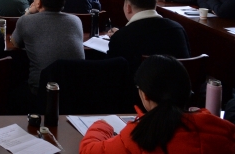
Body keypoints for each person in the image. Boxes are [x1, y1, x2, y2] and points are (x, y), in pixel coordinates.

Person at [80, 55, 235, 154]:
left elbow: (88, 150)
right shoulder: (222, 129)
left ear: (145, 94)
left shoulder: (138, 137)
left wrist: (102, 125)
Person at [11, 0, 85, 91]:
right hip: (74, 90)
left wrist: (28, 13)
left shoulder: (25, 21)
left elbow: (15, 43)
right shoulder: (76, 21)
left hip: (41, 91)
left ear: (39, 2)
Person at [106, 0, 190, 73]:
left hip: (140, 81)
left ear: (128, 8)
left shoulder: (121, 37)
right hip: (178, 80)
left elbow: (113, 72)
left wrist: (119, 35)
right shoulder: (178, 28)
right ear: (155, 6)